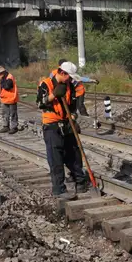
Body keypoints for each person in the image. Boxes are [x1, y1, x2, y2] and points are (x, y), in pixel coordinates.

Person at [37, 61, 88, 200]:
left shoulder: (69, 85)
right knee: (56, 157)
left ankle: (80, 181)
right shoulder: (45, 84)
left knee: (74, 153)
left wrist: (73, 117)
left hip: (66, 122)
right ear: (62, 73)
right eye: (69, 76)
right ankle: (59, 189)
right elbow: (40, 103)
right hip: (51, 125)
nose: (70, 79)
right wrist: (53, 95)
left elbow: (72, 106)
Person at [0, 66, 19, 134]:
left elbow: (8, 86)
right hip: (5, 98)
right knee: (5, 114)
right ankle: (6, 126)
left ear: (2, 72)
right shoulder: (3, 78)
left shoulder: (9, 77)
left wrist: (2, 82)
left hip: (12, 98)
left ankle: (14, 127)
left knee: (13, 114)